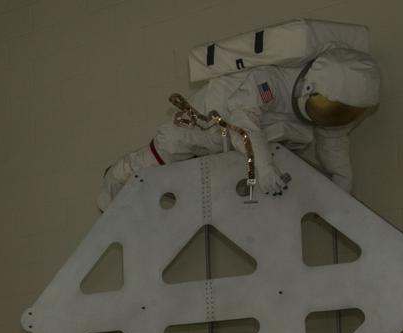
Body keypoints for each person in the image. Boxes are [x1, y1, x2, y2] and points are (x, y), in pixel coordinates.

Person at [97, 43, 381, 209]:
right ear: (311, 87)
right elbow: (244, 121)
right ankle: (115, 178)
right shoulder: (271, 80)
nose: (334, 117)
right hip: (209, 123)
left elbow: (335, 149)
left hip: (245, 145)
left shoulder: (331, 110)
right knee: (167, 148)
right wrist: (265, 168)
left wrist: (344, 197)